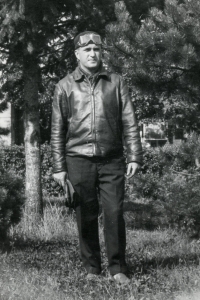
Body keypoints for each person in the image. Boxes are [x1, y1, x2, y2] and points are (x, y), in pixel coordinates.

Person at [51, 31, 143, 284]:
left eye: (97, 50)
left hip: (112, 159)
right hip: (77, 160)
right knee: (86, 216)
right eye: (87, 50)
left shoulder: (116, 82)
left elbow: (130, 121)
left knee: (114, 213)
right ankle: (92, 269)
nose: (93, 54)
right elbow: (57, 129)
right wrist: (59, 167)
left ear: (101, 53)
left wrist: (134, 155)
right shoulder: (64, 85)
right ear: (77, 54)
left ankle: (118, 268)